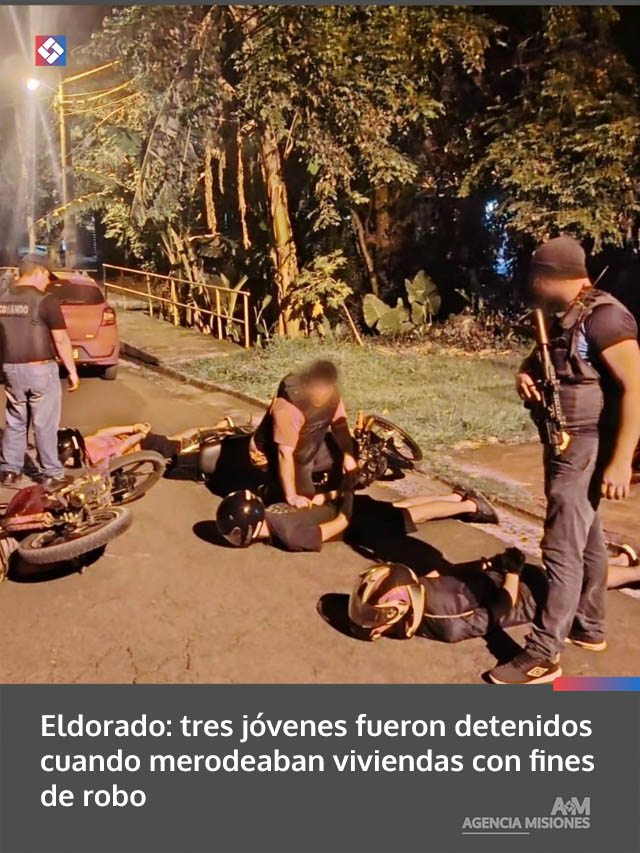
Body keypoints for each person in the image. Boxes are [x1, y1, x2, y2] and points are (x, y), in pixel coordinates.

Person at [489, 235, 640, 685]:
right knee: (586, 538)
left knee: (559, 547)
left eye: (535, 276)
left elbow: (637, 387)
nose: (531, 285)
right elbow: (546, 363)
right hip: (563, 444)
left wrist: (621, 460)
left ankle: (543, 654)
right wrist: (524, 375)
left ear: (549, 277)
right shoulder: (564, 319)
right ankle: (588, 626)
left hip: (587, 448)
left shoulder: (605, 317)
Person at [343, 547, 640, 651]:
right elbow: (501, 611)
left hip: (497, 578)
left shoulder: (418, 592)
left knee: (571, 573)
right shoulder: (449, 624)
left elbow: (441, 573)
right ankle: (633, 571)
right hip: (525, 596)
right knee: (575, 582)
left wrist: (486, 564)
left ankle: (620, 561)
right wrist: (512, 572)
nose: (371, 622)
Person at [215, 482, 498, 552]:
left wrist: (348, 494)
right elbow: (312, 505)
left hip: (354, 518)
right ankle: (454, 498)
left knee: (412, 515)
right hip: (342, 505)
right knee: (398, 506)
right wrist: (339, 494)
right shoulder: (274, 509)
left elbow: (339, 525)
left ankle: (469, 507)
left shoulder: (291, 537)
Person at [0, 254, 79, 488]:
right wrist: (72, 371)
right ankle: (52, 474)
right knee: (44, 423)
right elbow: (61, 339)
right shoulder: (45, 300)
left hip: (10, 369)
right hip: (40, 369)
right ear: (38, 272)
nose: (48, 283)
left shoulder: (2, 299)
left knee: (15, 420)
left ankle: (9, 471)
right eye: (47, 277)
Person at [249, 360, 357, 508]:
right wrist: (292, 496)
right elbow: (284, 454)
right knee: (304, 498)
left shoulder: (334, 396)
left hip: (307, 447)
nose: (320, 395)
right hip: (275, 453)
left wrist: (348, 455)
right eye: (316, 388)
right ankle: (269, 491)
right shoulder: (289, 407)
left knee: (352, 448)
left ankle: (333, 491)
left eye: (326, 389)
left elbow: (340, 426)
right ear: (307, 384)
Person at [57, 418, 236, 469]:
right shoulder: (87, 441)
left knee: (181, 447)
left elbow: (121, 448)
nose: (67, 464)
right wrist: (132, 428)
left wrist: (139, 434)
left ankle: (218, 429)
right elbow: (104, 432)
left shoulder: (94, 455)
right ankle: (217, 427)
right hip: (138, 438)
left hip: (143, 444)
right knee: (174, 439)